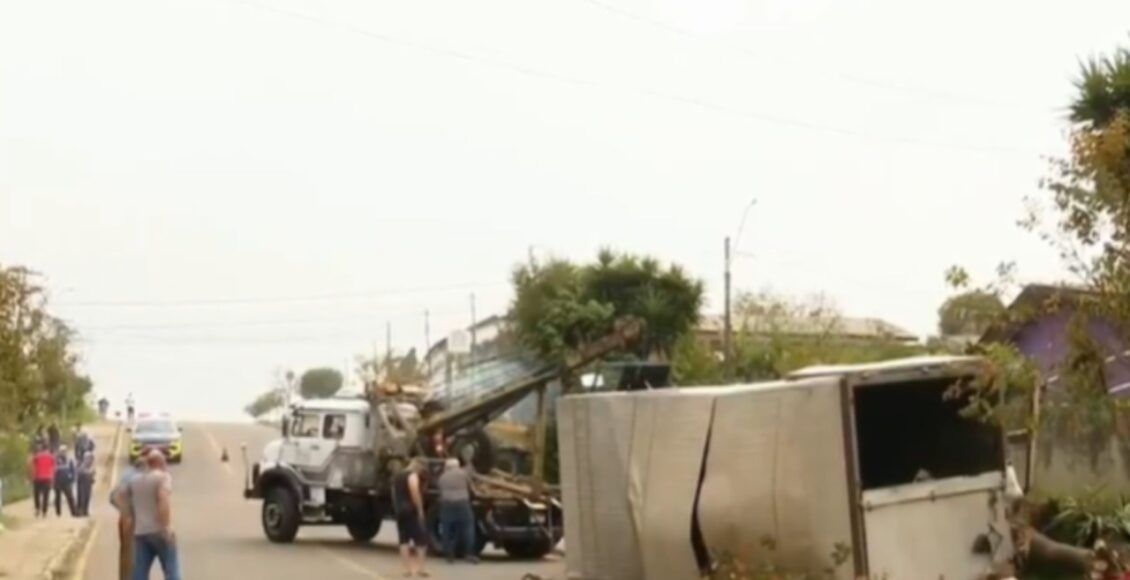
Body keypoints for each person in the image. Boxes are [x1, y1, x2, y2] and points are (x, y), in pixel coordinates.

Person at [127, 450, 180, 580]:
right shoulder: (163, 477)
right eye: (164, 461)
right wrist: (166, 528)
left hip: (140, 533)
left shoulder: (134, 481)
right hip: (159, 532)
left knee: (139, 573)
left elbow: (124, 502)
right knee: (171, 570)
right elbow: (163, 502)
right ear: (160, 462)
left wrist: (133, 522)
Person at [391, 459, 430, 578]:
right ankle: (421, 569)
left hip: (400, 510)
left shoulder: (397, 477)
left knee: (403, 541)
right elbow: (414, 491)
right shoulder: (412, 476)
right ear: (417, 466)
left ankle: (406, 570)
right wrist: (420, 509)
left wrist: (396, 506)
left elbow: (393, 493)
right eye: (421, 469)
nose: (420, 472)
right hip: (410, 510)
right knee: (421, 540)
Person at [437, 457, 478, 564]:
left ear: (447, 467)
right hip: (462, 503)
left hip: (447, 504)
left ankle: (449, 555)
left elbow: (440, 490)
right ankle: (469, 554)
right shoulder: (463, 474)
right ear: (457, 465)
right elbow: (471, 487)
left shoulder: (442, 477)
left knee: (447, 530)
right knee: (468, 527)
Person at [112, 459, 147, 580]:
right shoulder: (139, 478)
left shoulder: (126, 474)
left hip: (124, 519)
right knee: (134, 556)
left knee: (125, 554)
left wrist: (123, 511)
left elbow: (112, 497)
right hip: (133, 520)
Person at [28, 444, 55, 518]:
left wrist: (30, 477)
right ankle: (44, 512)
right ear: (48, 449)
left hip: (38, 478)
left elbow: (31, 464)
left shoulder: (37, 457)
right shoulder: (51, 457)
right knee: (46, 496)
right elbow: (53, 468)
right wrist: (53, 478)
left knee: (36, 494)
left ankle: (37, 508)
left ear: (41, 449)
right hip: (47, 478)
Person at [53, 445, 77, 517]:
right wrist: (53, 480)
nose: (63, 452)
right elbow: (53, 470)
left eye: (64, 451)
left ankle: (73, 512)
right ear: (59, 452)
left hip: (67, 482)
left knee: (70, 497)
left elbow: (73, 470)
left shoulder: (69, 460)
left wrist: (73, 478)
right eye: (62, 451)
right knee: (58, 497)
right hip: (58, 481)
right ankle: (58, 513)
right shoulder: (56, 460)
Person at [76, 442, 96, 517]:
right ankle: (81, 510)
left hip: (87, 478)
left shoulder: (90, 456)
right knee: (82, 495)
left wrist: (92, 475)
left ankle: (84, 510)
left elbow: (92, 468)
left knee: (86, 495)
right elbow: (80, 469)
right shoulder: (83, 458)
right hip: (83, 478)